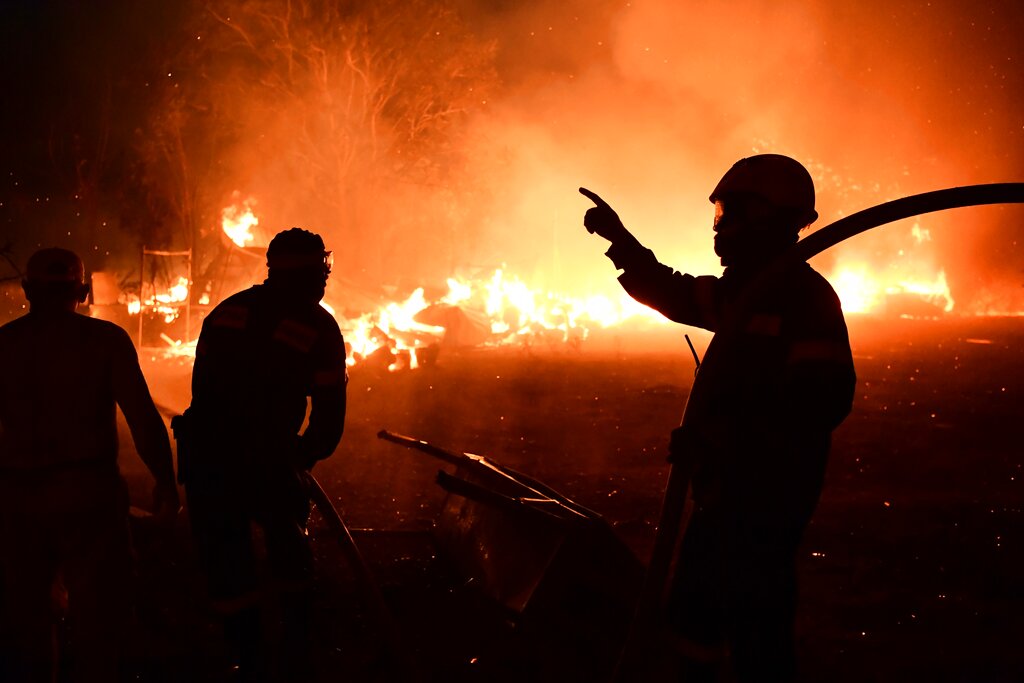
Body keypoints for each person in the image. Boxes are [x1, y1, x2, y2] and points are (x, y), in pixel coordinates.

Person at [581, 154, 856, 682]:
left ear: (775, 220)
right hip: (728, 495)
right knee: (693, 614)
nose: (721, 227)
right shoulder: (746, 292)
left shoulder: (803, 299)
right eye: (720, 212)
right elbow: (674, 292)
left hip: (767, 500)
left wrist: (725, 443)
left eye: (734, 212)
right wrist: (620, 241)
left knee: (755, 622)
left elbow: (819, 404)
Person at [0, 247, 179, 682]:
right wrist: (166, 481)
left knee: (30, 620)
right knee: (101, 619)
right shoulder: (105, 341)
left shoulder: (5, 345)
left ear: (27, 290)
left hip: (20, 497)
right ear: (82, 291)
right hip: (90, 494)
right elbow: (142, 416)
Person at [177, 227, 347, 682]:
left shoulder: (228, 311)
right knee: (289, 550)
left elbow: (202, 391)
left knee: (225, 556)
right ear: (315, 272)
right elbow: (329, 423)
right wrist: (299, 460)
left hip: (206, 455)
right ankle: (294, 647)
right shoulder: (318, 325)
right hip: (266, 457)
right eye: (321, 270)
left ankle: (244, 654)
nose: (324, 280)